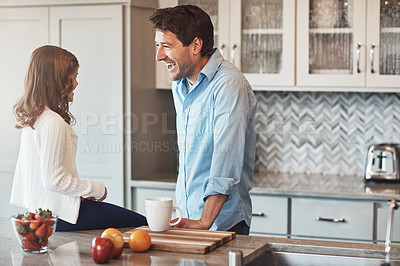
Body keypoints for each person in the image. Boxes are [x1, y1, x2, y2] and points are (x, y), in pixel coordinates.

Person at [10, 45, 147, 231]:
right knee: (144, 224)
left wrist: (77, 194)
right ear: (56, 81)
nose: (75, 84)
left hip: (42, 215)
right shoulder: (52, 122)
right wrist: (97, 189)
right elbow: (54, 180)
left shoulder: (36, 119)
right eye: (72, 78)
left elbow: (42, 182)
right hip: (62, 217)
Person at [149, 5, 257, 235]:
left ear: (196, 45)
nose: (159, 55)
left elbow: (225, 159)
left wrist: (204, 220)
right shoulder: (180, 84)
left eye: (166, 46)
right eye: (158, 46)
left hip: (220, 224)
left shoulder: (228, 84)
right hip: (188, 218)